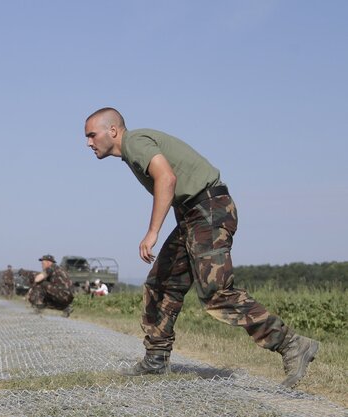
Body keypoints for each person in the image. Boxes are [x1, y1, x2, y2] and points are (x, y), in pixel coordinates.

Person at [83, 107, 319, 387]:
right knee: (161, 283)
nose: (88, 142)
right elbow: (173, 186)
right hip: (193, 214)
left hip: (208, 209)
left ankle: (291, 344)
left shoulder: (134, 142)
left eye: (91, 135)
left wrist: (152, 232)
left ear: (112, 131)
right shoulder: (134, 150)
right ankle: (156, 358)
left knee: (215, 292)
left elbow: (167, 179)